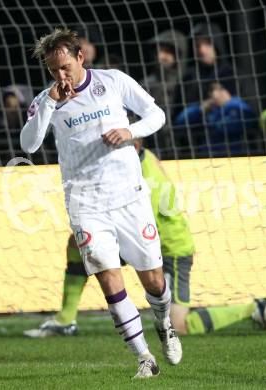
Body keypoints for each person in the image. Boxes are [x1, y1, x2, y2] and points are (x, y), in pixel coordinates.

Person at [20, 28, 180, 379]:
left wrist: (130, 131)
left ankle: (164, 322)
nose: (61, 76)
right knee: (108, 277)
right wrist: (48, 101)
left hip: (128, 197)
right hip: (84, 202)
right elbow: (29, 144)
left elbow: (156, 116)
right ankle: (144, 359)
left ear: (80, 57)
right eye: (53, 70)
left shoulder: (113, 82)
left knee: (153, 279)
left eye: (65, 67)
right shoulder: (48, 100)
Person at [24, 142, 265, 337]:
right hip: (143, 237)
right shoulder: (140, 156)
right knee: (78, 243)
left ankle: (255, 309)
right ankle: (65, 320)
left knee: (179, 327)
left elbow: (139, 228)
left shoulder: (142, 180)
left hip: (170, 248)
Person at [174, 82, 257, 157]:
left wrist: (226, 104)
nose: (219, 93)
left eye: (221, 89)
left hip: (237, 154)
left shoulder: (236, 105)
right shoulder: (206, 109)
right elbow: (181, 122)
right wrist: (200, 109)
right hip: (208, 156)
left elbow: (229, 125)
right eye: (213, 90)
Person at [140, 30, 188, 159]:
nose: (162, 56)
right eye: (159, 51)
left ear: (178, 54)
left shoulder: (187, 81)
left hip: (187, 151)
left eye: (167, 51)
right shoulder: (146, 85)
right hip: (155, 152)